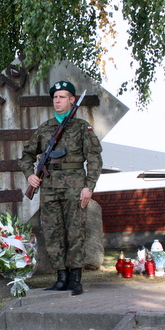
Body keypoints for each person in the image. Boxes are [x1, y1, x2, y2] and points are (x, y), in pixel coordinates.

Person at [18, 80, 103, 295]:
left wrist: (89, 187)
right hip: (49, 188)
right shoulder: (45, 128)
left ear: (72, 100)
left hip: (75, 187)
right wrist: (30, 176)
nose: (58, 100)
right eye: (55, 97)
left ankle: (75, 279)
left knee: (75, 231)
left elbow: (94, 159)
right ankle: (61, 277)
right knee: (52, 232)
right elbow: (26, 155)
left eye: (62, 97)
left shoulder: (82, 127)